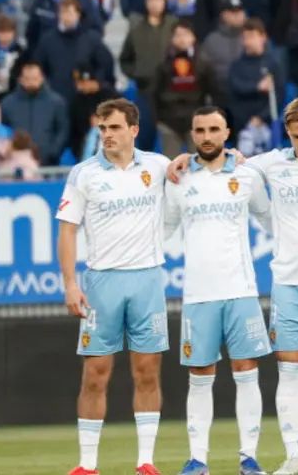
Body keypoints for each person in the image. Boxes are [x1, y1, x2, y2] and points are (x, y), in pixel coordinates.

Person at [57, 99, 171, 475]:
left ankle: (146, 462)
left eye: (114, 127)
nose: (107, 135)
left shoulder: (157, 166)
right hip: (102, 281)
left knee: (147, 371)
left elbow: (203, 168)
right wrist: (71, 284)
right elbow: (67, 229)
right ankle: (88, 465)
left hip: (147, 279)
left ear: (134, 130)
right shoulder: (84, 173)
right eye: (102, 128)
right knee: (95, 374)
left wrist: (231, 155)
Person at [164, 108, 272, 475]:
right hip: (197, 294)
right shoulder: (177, 178)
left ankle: (249, 457)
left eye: (214, 129)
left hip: (241, 290)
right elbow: (161, 230)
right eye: (200, 130)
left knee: (247, 371)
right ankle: (198, 459)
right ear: (192, 134)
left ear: (227, 132)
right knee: (200, 375)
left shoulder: (246, 174)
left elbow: (270, 219)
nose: (207, 135)